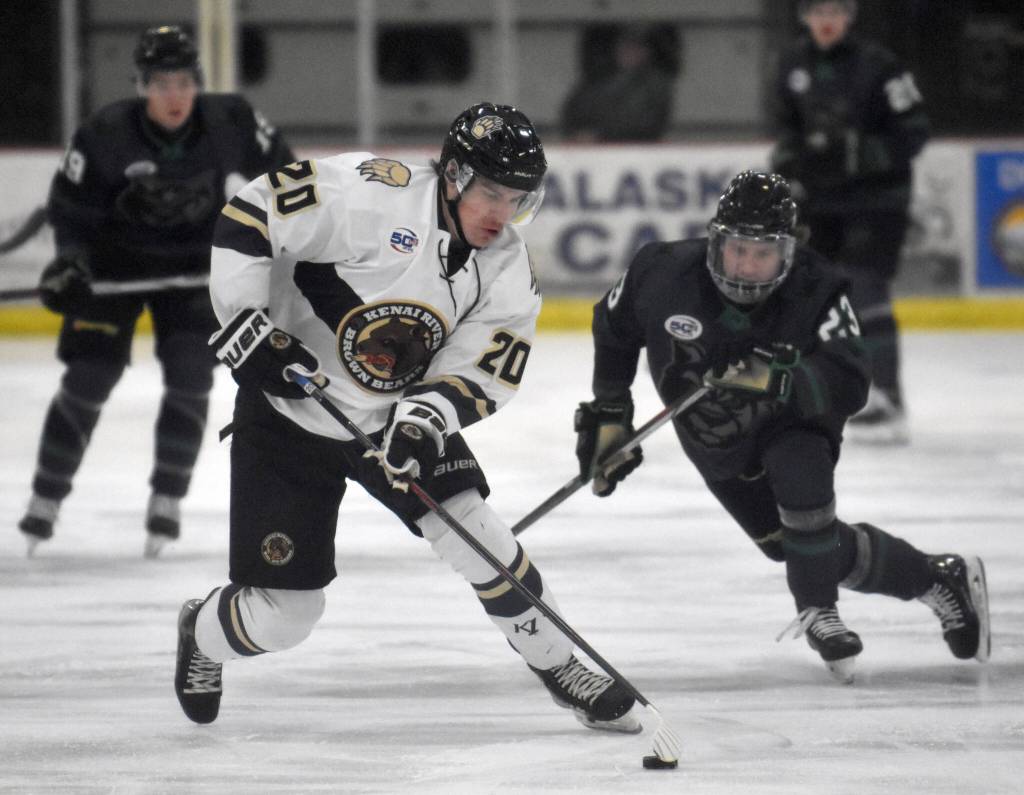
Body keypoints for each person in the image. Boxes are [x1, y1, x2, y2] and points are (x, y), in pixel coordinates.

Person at [172, 102, 640, 734]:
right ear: (453, 175)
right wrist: (247, 324)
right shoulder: (372, 194)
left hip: (393, 416)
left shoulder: (505, 266)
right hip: (287, 414)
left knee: (482, 540)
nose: (502, 213)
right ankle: (201, 633)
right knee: (286, 616)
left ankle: (560, 665)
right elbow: (252, 213)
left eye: (517, 197)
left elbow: (488, 370)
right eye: (492, 192)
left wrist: (423, 420)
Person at [574, 170, 989, 683]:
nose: (747, 268)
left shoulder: (817, 289)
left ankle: (819, 610)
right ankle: (937, 578)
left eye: (763, 253)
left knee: (799, 473)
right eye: (737, 250)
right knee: (787, 545)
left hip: (794, 422)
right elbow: (612, 329)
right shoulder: (659, 272)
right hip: (714, 444)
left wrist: (778, 379)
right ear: (714, 241)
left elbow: (851, 381)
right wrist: (611, 411)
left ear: (788, 252)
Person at [16, 26, 295, 558]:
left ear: (198, 83)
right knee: (88, 376)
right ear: (142, 85)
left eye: (184, 82)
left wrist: (284, 244)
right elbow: (70, 209)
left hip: (196, 269)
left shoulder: (233, 120)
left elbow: (286, 180)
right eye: (162, 83)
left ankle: (167, 500)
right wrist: (71, 262)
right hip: (112, 269)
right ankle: (46, 497)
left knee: (191, 375)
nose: (175, 95)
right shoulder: (103, 133)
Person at [769, 0, 929, 444]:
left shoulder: (880, 66)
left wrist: (857, 153)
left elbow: (914, 131)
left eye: (835, 11)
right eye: (817, 11)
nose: (826, 20)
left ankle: (887, 396)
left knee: (865, 287)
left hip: (877, 202)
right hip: (822, 203)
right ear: (804, 16)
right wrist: (791, 164)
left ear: (850, 16)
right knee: (813, 292)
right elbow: (787, 130)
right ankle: (824, 392)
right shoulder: (791, 62)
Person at [561, 25, 674, 142]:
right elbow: (574, 112)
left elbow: (647, 124)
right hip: (597, 151)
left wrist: (600, 135)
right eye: (624, 46)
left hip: (639, 149)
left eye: (634, 48)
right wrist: (581, 133)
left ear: (646, 52)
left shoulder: (655, 85)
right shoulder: (600, 79)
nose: (628, 52)